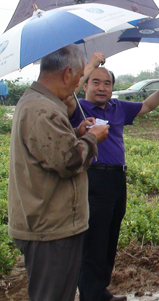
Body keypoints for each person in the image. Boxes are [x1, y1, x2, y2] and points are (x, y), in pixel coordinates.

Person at [66, 55, 159, 301]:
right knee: (93, 240)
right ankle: (89, 294)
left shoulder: (118, 108)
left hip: (117, 180)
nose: (102, 87)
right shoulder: (77, 108)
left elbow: (147, 105)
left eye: (107, 83)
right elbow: (67, 90)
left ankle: (100, 290)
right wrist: (92, 65)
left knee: (109, 237)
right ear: (85, 85)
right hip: (93, 179)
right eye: (95, 82)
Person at [8, 45, 110, 301]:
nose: (78, 84)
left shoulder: (38, 102)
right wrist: (92, 139)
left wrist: (77, 134)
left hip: (48, 221)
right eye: (79, 78)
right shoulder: (43, 109)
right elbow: (67, 162)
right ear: (67, 74)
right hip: (49, 226)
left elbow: (47, 149)